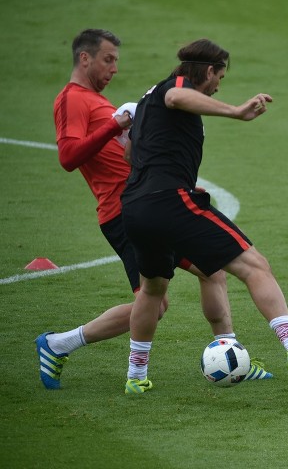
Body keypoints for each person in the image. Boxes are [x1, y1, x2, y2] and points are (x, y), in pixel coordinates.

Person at [39, 29, 272, 390]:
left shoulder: (96, 100)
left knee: (214, 271)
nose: (115, 68)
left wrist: (177, 186)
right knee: (156, 302)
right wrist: (114, 125)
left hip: (153, 201)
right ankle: (58, 344)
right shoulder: (73, 99)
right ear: (84, 58)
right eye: (108, 59)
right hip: (124, 212)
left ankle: (231, 354)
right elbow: (69, 157)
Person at [121, 38, 288, 394]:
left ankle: (136, 377)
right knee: (255, 266)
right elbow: (177, 97)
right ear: (208, 71)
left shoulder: (146, 100)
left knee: (153, 288)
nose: (219, 85)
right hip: (170, 201)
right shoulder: (174, 89)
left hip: (135, 206)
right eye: (220, 76)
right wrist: (234, 111)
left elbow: (129, 153)